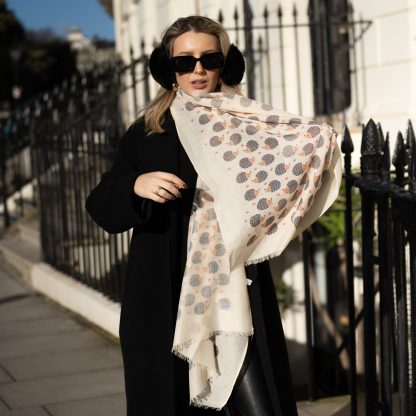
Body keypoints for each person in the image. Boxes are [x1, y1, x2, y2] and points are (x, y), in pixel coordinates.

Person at [85, 15, 341, 416]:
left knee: (260, 405)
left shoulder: (251, 124)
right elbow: (100, 206)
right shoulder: (148, 132)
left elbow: (300, 152)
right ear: (169, 71)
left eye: (209, 59)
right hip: (162, 296)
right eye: (184, 62)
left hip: (237, 290)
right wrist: (136, 185)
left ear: (225, 64)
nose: (198, 69)